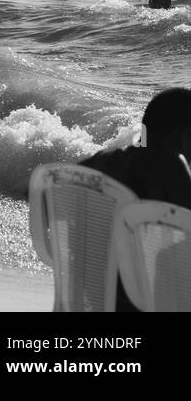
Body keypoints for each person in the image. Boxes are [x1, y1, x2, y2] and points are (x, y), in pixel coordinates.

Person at [79, 87, 191, 310]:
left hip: (95, 294)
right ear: (182, 134)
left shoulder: (104, 160)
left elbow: (38, 189)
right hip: (149, 300)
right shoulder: (171, 163)